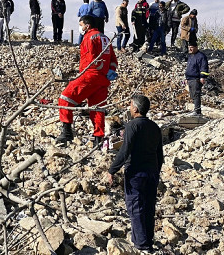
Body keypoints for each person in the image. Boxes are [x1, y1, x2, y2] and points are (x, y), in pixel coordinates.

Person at [106, 95, 164, 253]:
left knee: (136, 207)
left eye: (131, 105)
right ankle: (147, 240)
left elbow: (125, 150)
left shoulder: (132, 125)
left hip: (136, 173)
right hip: (151, 172)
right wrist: (155, 172)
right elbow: (160, 155)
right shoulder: (155, 127)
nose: (129, 108)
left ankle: (141, 245)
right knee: (149, 207)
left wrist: (112, 170)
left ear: (136, 109)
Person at [56, 15, 118, 146]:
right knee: (97, 108)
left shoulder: (89, 37)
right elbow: (113, 59)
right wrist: (109, 70)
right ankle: (98, 139)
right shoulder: (105, 38)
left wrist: (90, 73)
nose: (80, 27)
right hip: (103, 79)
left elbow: (90, 60)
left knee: (65, 98)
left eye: (81, 25)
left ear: (87, 25)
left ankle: (67, 132)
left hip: (90, 75)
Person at [185, 42, 209, 116]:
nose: (190, 49)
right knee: (192, 95)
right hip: (190, 79)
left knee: (196, 94)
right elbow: (189, 68)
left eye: (191, 47)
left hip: (196, 78)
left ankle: (197, 111)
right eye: (189, 47)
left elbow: (204, 67)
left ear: (196, 47)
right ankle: (195, 109)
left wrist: (202, 77)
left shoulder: (201, 56)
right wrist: (186, 78)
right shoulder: (191, 56)